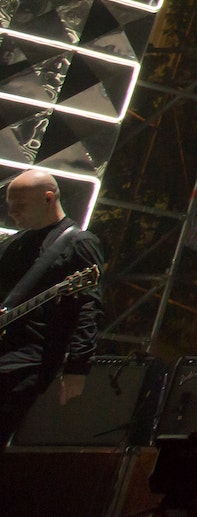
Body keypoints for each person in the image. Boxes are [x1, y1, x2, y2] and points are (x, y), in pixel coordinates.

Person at [0, 170, 103, 452]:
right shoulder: (14, 244)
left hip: (28, 361)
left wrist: (78, 366)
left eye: (19, 206)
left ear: (48, 199)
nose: (12, 214)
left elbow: (87, 306)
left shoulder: (78, 243)